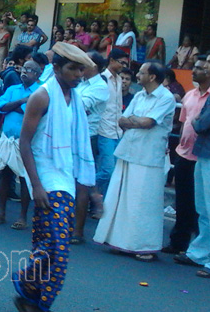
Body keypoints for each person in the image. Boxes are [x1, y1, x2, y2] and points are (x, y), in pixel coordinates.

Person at [13, 42, 96, 312]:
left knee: (51, 245)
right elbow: (24, 143)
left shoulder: (73, 96)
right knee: (57, 246)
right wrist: (36, 185)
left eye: (81, 68)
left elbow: (77, 142)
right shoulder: (41, 95)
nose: (78, 74)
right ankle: (28, 293)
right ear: (57, 68)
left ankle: (37, 301)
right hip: (46, 178)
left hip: (65, 176)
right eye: (72, 68)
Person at [94, 61, 176, 261]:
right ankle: (119, 242)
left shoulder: (166, 98)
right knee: (121, 200)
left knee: (143, 203)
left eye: (141, 73)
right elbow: (122, 120)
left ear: (152, 77)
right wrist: (138, 121)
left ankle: (144, 246)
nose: (137, 76)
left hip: (148, 156)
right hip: (129, 151)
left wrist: (136, 121)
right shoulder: (139, 95)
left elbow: (149, 123)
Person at [176, 49, 210, 278]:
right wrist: (207, 121)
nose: (206, 66)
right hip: (204, 152)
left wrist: (207, 121)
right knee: (204, 209)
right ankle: (200, 252)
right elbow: (204, 122)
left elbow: (201, 123)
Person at [163, 56, 210, 254]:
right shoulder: (189, 95)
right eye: (195, 68)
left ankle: (199, 247)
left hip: (202, 157)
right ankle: (178, 243)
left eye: (199, 68)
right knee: (182, 201)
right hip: (183, 154)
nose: (194, 71)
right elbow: (184, 123)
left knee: (201, 205)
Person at [0, 59, 41, 229]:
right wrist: (19, 102)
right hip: (7, 137)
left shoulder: (40, 92)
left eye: (30, 70)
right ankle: (1, 212)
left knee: (24, 177)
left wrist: (13, 107)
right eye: (24, 68)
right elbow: (0, 106)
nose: (25, 72)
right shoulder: (13, 89)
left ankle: (22, 217)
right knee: (4, 175)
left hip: (25, 140)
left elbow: (31, 113)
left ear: (38, 74)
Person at [72, 51, 109, 241]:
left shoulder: (100, 87)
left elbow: (79, 106)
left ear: (93, 65)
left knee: (82, 185)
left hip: (87, 138)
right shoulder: (81, 83)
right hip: (71, 135)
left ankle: (78, 231)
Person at [95, 48, 130, 202]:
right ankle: (84, 189)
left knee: (114, 172)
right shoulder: (102, 79)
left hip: (117, 131)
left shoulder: (118, 80)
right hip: (104, 130)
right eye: (121, 62)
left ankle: (103, 204)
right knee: (107, 170)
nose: (124, 65)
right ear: (112, 61)